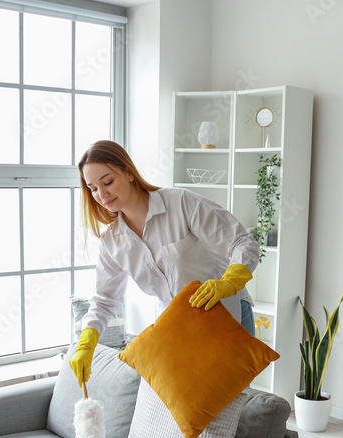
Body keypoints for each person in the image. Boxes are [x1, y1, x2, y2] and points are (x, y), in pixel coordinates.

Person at [69, 140, 260, 386]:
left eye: (107, 182)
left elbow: (243, 243)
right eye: (93, 188)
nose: (102, 195)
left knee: (226, 407)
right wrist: (86, 343)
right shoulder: (111, 241)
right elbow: (105, 301)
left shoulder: (179, 203)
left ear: (128, 172)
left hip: (227, 315)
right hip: (178, 329)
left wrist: (229, 283)